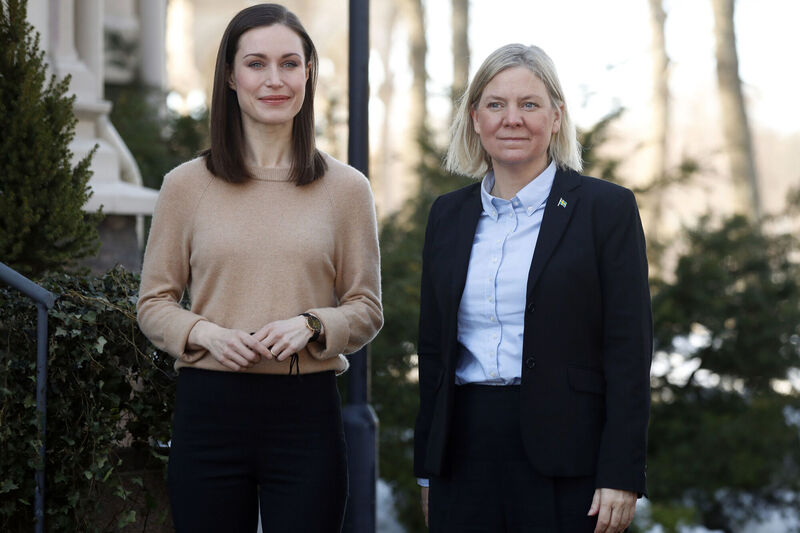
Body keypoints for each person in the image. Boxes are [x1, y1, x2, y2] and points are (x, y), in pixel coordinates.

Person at [136, 4, 382, 532]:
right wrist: (204, 333)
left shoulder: (347, 190)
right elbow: (153, 303)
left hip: (306, 417)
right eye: (256, 64)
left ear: (309, 73)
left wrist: (314, 325)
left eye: (290, 64)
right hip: (209, 414)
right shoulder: (186, 185)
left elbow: (365, 308)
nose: (274, 80)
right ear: (230, 74)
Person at [414, 43, 652, 533]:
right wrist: (427, 470)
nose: (512, 119)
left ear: (557, 116)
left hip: (569, 460)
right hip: (464, 456)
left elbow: (629, 351)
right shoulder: (447, 215)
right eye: (496, 105)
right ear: (475, 118)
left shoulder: (605, 210)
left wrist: (621, 474)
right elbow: (434, 351)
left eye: (529, 104)